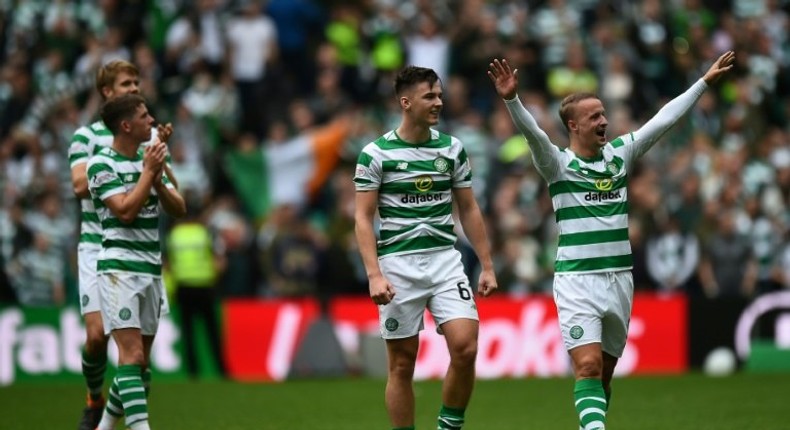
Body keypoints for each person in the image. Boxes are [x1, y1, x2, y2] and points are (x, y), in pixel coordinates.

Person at [487, 51, 735, 429]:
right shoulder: (558, 165)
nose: (604, 121)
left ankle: (594, 421)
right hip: (577, 282)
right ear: (573, 126)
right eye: (594, 117)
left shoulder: (620, 155)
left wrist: (702, 83)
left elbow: (663, 119)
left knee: (603, 374)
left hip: (620, 279)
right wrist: (512, 99)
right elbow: (533, 135)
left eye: (604, 114)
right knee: (585, 366)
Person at [353, 65, 497, 430]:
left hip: (445, 262)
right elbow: (362, 218)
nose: (438, 102)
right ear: (406, 102)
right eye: (429, 96)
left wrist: (487, 263)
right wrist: (374, 274)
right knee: (402, 364)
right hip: (397, 267)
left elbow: (469, 207)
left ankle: (449, 426)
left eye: (439, 95)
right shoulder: (375, 154)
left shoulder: (452, 149)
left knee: (465, 347)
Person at [68, 59, 178, 430]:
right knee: (99, 337)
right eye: (126, 84)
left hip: (145, 254)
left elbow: (177, 199)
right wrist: (137, 170)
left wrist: (154, 154)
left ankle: (105, 425)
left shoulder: (148, 141)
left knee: (137, 361)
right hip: (99, 243)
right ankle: (93, 396)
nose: (134, 88)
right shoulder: (88, 140)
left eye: (136, 82)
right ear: (108, 93)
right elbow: (81, 185)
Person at [88, 93, 186, 430]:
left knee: (138, 368)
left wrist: (157, 177)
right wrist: (149, 172)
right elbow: (126, 211)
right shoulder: (101, 164)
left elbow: (179, 207)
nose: (152, 122)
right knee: (132, 358)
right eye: (145, 117)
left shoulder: (152, 157)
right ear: (127, 126)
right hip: (119, 270)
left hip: (151, 269)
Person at [166, 204, 227, 379]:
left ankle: (193, 374)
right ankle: (222, 371)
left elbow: (168, 266)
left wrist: (170, 290)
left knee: (188, 334)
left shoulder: (174, 235)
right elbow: (219, 263)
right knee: (213, 334)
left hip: (184, 288)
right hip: (205, 287)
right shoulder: (206, 233)